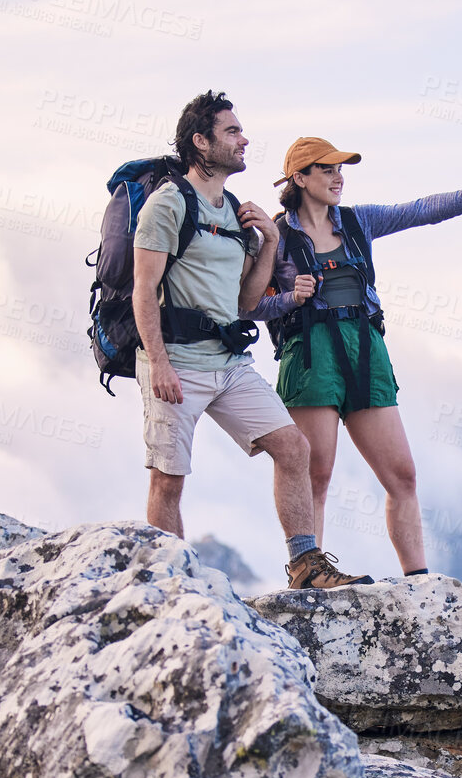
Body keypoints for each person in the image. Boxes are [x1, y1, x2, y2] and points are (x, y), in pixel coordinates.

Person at [132, 95, 373, 590]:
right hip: (175, 359)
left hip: (229, 361)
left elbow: (245, 301)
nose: (245, 141)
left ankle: (306, 565)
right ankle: (169, 587)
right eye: (232, 132)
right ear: (201, 143)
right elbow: (142, 291)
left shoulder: (237, 211)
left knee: (292, 448)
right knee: (169, 478)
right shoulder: (169, 204)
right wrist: (158, 364)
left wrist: (265, 243)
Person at [253, 137, 462, 576]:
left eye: (341, 169)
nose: (338, 177)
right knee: (314, 474)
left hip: (366, 348)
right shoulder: (275, 237)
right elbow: (248, 305)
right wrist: (288, 299)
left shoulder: (359, 222)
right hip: (309, 353)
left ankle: (417, 581)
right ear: (299, 179)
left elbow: (420, 210)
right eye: (326, 169)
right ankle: (310, 574)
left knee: (402, 475)